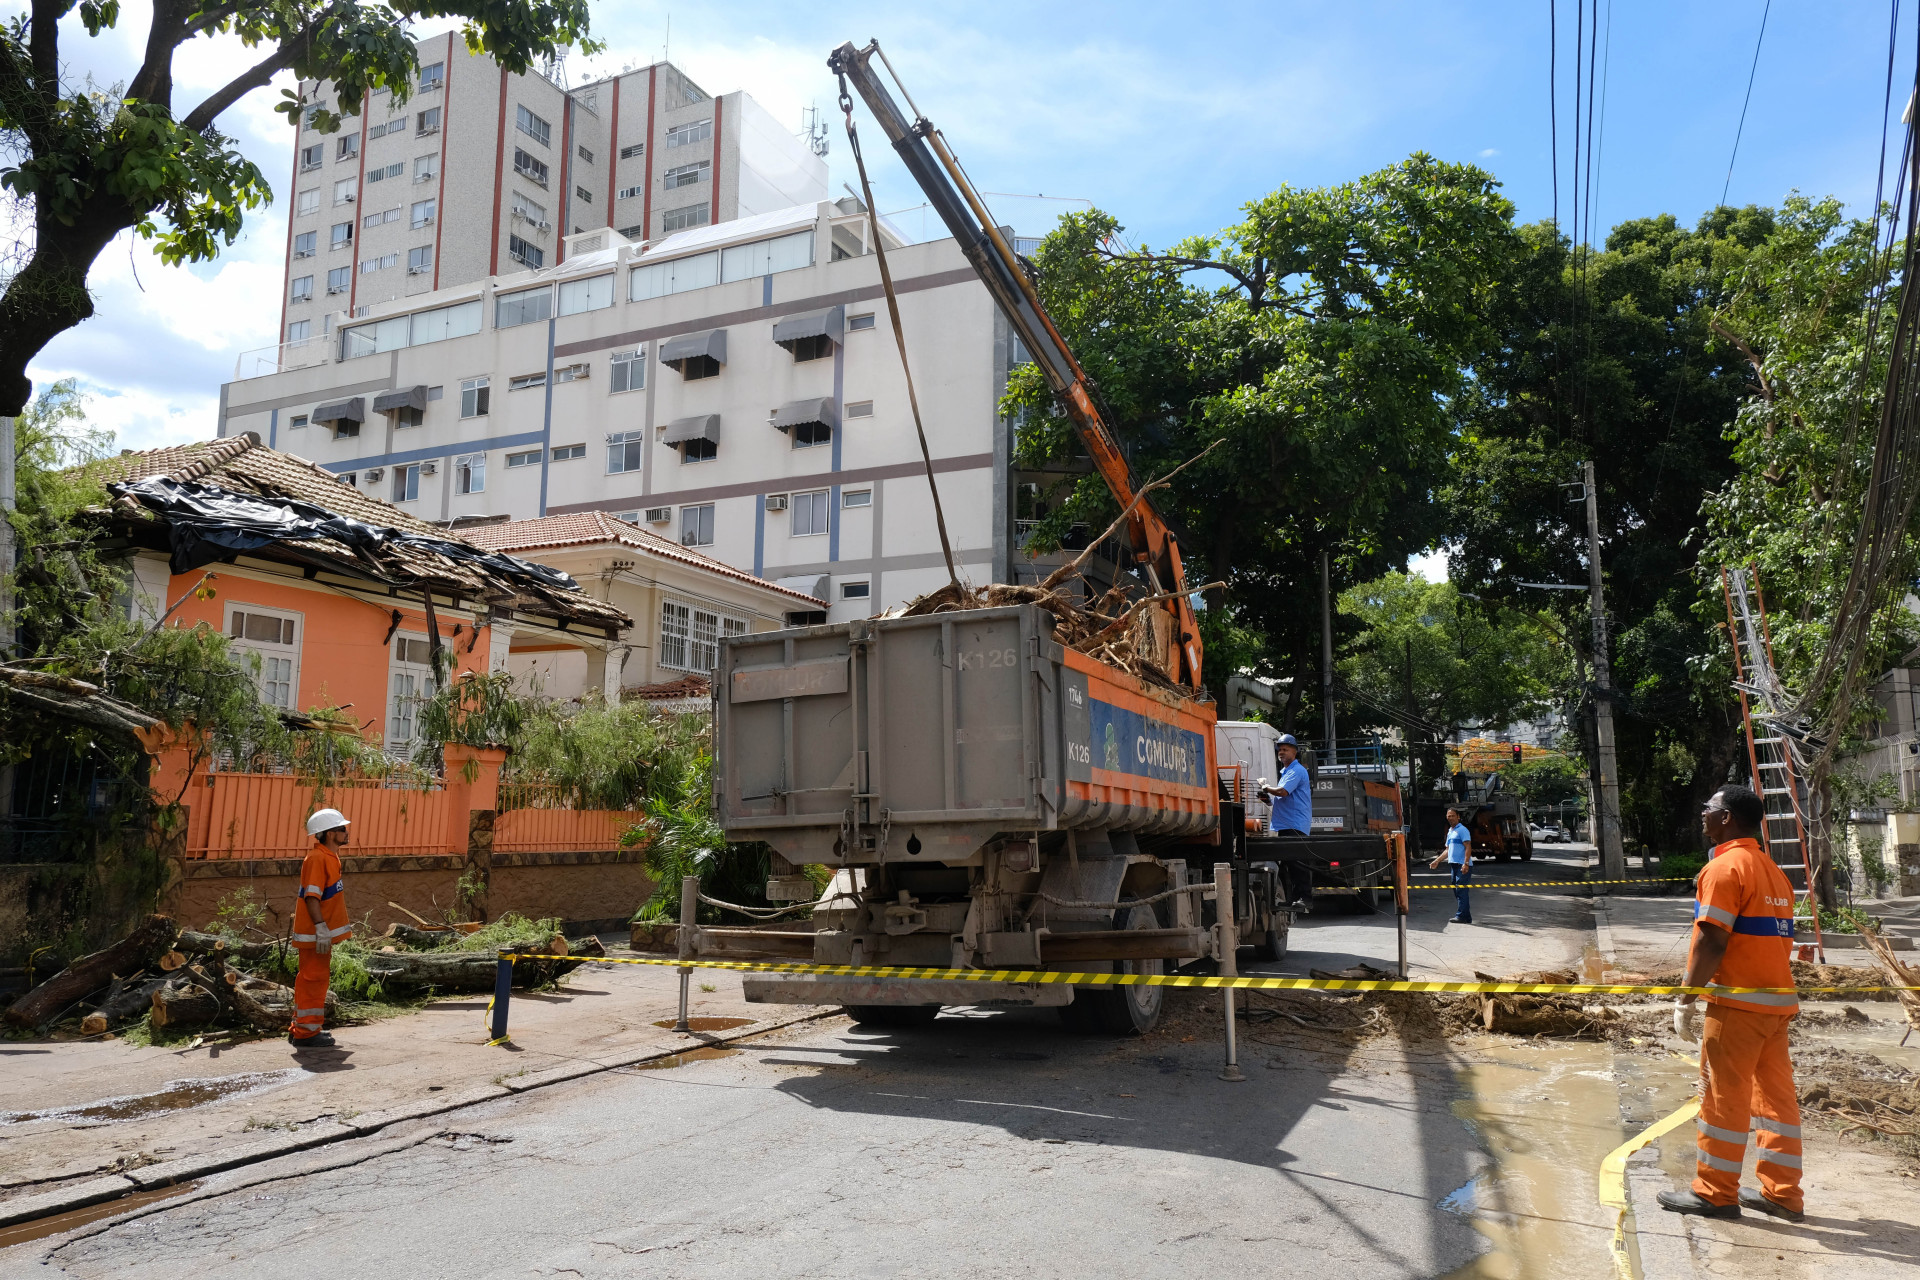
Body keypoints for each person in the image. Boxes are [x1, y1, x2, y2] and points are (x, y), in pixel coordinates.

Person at [1658, 784, 1803, 1222]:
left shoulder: (1724, 868)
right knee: (1775, 1102)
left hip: (1737, 1006)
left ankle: (1715, 1193)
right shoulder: (1773, 871)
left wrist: (1686, 998)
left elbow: (1711, 937)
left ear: (1727, 818)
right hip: (1774, 1005)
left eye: (1708, 808)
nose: (1702, 815)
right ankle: (1783, 1194)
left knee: (1723, 1098)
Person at [291, 808, 354, 1050]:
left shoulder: (329, 857)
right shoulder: (317, 859)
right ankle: (306, 1033)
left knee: (311, 979)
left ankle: (302, 1027)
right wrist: (320, 928)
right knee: (313, 979)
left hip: (319, 933)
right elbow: (312, 896)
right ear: (329, 834)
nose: (345, 832)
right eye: (341, 829)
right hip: (316, 933)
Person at [1257, 734, 1312, 836]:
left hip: (1294, 826)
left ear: (1294, 752)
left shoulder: (1296, 770)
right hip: (1288, 825)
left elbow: (1282, 792)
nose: (1281, 752)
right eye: (1280, 750)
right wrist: (1268, 800)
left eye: (1285, 750)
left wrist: (1265, 787)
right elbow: (1284, 798)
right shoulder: (1287, 771)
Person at [1430, 806, 1472, 923]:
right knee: (1457, 891)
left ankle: (1461, 916)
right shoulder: (1450, 831)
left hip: (1462, 865)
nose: (1451, 818)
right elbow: (1447, 850)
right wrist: (1437, 860)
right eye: (1449, 816)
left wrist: (1466, 863)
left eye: (1453, 816)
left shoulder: (1462, 830)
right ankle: (1466, 916)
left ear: (1458, 817)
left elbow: (1468, 846)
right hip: (1454, 865)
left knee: (1461, 891)